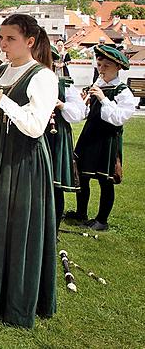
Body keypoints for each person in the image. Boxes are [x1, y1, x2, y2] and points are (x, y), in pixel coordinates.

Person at [0, 13, 58, 329]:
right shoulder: (4, 70)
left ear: (30, 41)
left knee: (18, 231)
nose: (2, 45)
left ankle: (16, 304)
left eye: (10, 39)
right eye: (2, 38)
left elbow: (34, 127)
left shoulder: (43, 76)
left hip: (22, 163)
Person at [70, 44, 137, 231]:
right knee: (82, 175)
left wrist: (103, 99)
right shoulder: (98, 85)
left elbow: (118, 118)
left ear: (118, 68)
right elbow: (85, 113)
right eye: (99, 65)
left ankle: (102, 220)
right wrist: (84, 100)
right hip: (90, 134)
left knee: (104, 179)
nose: (101, 70)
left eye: (106, 66)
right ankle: (81, 212)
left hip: (107, 139)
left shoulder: (122, 92)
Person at [42, 46, 86, 231]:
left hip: (56, 137)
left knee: (55, 186)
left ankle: (53, 230)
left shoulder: (64, 84)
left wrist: (60, 105)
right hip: (35, 135)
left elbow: (78, 114)